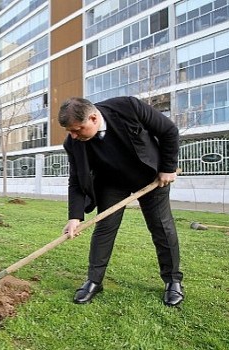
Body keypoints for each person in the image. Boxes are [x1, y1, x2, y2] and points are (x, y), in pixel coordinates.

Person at [57, 96, 183, 307]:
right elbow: (76, 179)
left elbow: (169, 131)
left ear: (94, 118)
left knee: (162, 228)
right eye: (70, 131)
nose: (74, 135)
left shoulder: (128, 107)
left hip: (151, 177)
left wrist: (168, 168)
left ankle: (173, 281)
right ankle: (94, 281)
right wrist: (74, 217)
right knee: (104, 229)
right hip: (112, 183)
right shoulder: (73, 143)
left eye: (77, 129)